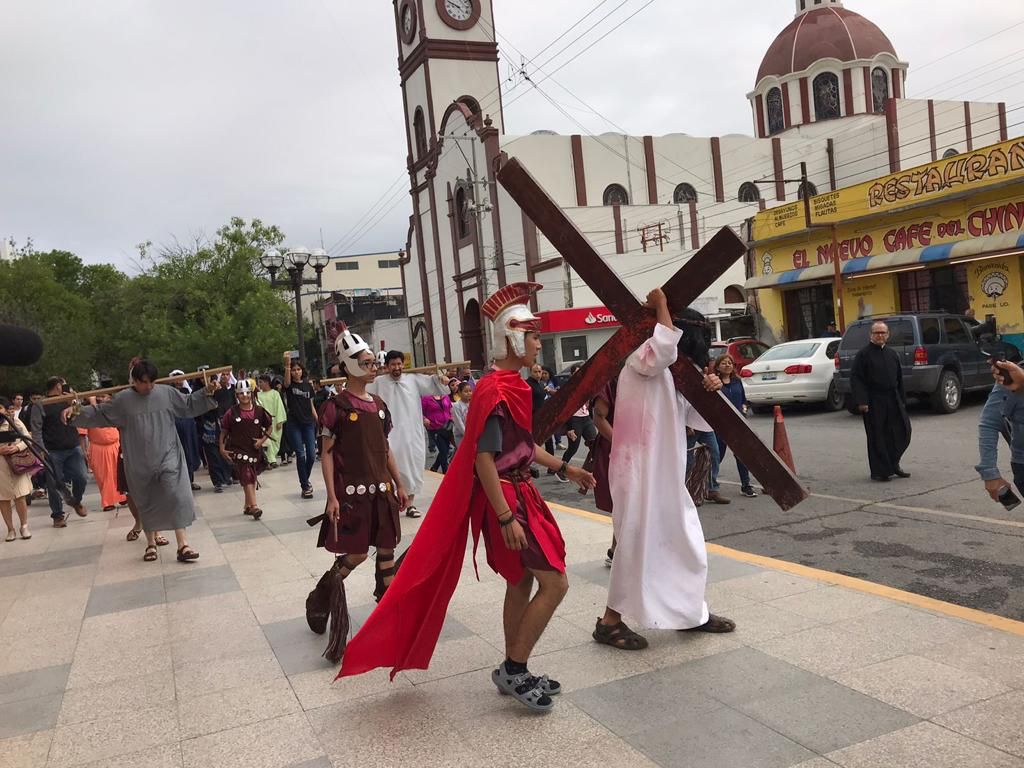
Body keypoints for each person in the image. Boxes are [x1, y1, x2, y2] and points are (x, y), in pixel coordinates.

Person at [339, 282, 596, 714]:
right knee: (555, 582)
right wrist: (503, 517)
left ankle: (514, 668)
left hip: (520, 492)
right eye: (532, 334)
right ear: (513, 337)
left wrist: (566, 469)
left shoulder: (511, 386)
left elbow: (524, 445)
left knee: (522, 580)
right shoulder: (496, 391)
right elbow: (482, 458)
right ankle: (515, 667)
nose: (538, 341)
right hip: (508, 499)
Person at [594, 289, 735, 652]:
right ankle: (610, 623)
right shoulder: (641, 359)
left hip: (666, 474)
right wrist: (659, 307)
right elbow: (664, 350)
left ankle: (690, 612)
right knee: (636, 544)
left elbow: (698, 420)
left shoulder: (673, 372)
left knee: (682, 540)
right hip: (638, 472)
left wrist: (710, 388)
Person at [304, 327, 408, 663]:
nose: (374, 366)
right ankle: (321, 595)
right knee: (357, 555)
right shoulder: (336, 407)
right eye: (367, 362)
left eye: (374, 361)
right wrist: (332, 497)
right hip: (352, 496)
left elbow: (385, 447)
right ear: (350, 366)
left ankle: (389, 615)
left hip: (383, 493)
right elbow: (327, 453)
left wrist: (399, 482)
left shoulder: (378, 405)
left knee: (387, 553)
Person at [68, 360, 217, 563]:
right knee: (146, 500)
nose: (149, 387)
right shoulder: (122, 400)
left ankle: (183, 545)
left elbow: (188, 404)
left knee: (176, 494)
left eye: (152, 382)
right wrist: (75, 412)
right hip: (139, 459)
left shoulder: (166, 393)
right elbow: (99, 413)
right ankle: (151, 544)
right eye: (144, 382)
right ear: (135, 381)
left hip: (168, 454)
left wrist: (207, 391)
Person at [368, 350, 449, 518]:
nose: (396, 368)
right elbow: (362, 391)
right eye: (393, 365)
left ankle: (410, 504)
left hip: (412, 433)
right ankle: (392, 503)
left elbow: (437, 385)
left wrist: (441, 379)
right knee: (389, 468)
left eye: (399, 364)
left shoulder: (414, 379)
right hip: (389, 434)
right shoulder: (378, 382)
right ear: (387, 366)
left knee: (412, 468)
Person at [850, 321, 911, 481]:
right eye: (877, 333)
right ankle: (880, 471)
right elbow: (857, 379)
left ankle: (894, 464)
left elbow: (899, 378)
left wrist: (902, 400)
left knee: (901, 432)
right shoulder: (863, 355)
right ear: (871, 335)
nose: (880, 336)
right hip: (873, 400)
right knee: (878, 435)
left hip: (892, 398)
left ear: (888, 335)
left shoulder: (892, 354)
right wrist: (862, 401)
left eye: (883, 333)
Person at [31, 376, 89, 527]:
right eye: (63, 385)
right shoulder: (40, 404)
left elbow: (78, 415)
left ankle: (76, 501)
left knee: (81, 477)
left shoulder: (68, 400)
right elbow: (36, 429)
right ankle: (57, 515)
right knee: (54, 484)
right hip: (52, 450)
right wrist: (41, 450)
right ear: (57, 386)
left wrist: (75, 399)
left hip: (73, 446)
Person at [219, 379, 273, 520]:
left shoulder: (260, 411)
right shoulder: (231, 413)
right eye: (241, 393)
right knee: (247, 474)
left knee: (250, 476)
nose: (245, 396)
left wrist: (262, 441)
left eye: (247, 393)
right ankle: (254, 506)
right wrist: (222, 448)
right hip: (238, 449)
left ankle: (247, 505)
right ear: (237, 395)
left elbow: (269, 426)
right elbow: (224, 431)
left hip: (254, 450)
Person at [713, 354, 757, 498]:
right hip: (721, 425)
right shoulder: (715, 382)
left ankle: (746, 485)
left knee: (742, 456)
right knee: (717, 455)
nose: (727, 365)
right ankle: (708, 485)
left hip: (738, 424)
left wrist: (743, 411)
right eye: (724, 363)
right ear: (718, 367)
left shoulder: (737, 382)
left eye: (730, 363)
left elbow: (743, 400)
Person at [283, 355, 318, 499]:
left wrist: (317, 419)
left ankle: (305, 479)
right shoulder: (290, 385)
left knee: (311, 454)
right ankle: (305, 486)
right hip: (294, 423)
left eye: (298, 369)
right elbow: (285, 383)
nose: (296, 372)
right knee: (300, 454)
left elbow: (311, 404)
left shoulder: (307, 385)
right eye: (294, 370)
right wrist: (287, 365)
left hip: (308, 423)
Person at [84, 394, 127, 510]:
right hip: (98, 447)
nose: (101, 399)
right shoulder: (89, 412)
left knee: (118, 473)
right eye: (99, 397)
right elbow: (82, 432)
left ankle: (122, 497)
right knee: (103, 476)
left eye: (104, 396)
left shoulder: (115, 409)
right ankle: (108, 502)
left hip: (115, 445)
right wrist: (83, 450)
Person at [591, 378, 617, 566]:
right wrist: (623, 446)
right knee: (623, 502)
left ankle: (616, 549)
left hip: (645, 447)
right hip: (617, 451)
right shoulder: (611, 378)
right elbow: (599, 416)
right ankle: (618, 550)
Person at [556, 365, 598, 483]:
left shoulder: (585, 384)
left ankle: (592, 470)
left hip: (586, 417)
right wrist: (568, 427)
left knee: (594, 445)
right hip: (574, 419)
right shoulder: (568, 387)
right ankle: (561, 470)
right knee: (573, 448)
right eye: (576, 372)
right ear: (572, 374)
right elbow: (563, 407)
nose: (579, 374)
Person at [0, 397, 32, 540]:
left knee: (20, 496)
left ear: (5, 409)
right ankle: (10, 529)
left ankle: (24, 526)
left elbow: (26, 439)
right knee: (3, 499)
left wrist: (16, 447)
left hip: (16, 463)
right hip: (0, 466)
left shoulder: (14, 421)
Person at [168, 372, 203, 491]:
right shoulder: (170, 393)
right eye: (176, 379)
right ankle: (181, 482)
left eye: (180, 379)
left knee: (190, 453)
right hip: (175, 425)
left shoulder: (187, 391)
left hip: (188, 425)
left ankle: (190, 480)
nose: (178, 381)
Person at [256, 374, 287, 467]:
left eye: (261, 382)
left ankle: (272, 458)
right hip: (263, 422)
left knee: (274, 441)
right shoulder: (258, 395)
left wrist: (280, 421)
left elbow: (280, 408)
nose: (259, 384)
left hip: (274, 420)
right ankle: (270, 460)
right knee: (266, 441)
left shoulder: (275, 393)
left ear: (266, 382)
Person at [422, 391, 454, 474]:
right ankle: (445, 472)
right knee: (443, 450)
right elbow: (419, 411)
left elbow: (450, 408)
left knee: (445, 450)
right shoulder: (426, 398)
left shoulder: (445, 396)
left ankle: (434, 467)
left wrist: (452, 418)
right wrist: (424, 418)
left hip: (446, 427)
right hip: (434, 427)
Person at [451, 381, 472, 448]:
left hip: (472, 433)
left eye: (470, 391)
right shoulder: (456, 406)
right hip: (460, 435)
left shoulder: (473, 403)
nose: (469, 393)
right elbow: (459, 422)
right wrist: (467, 435)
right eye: (465, 391)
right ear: (459, 393)